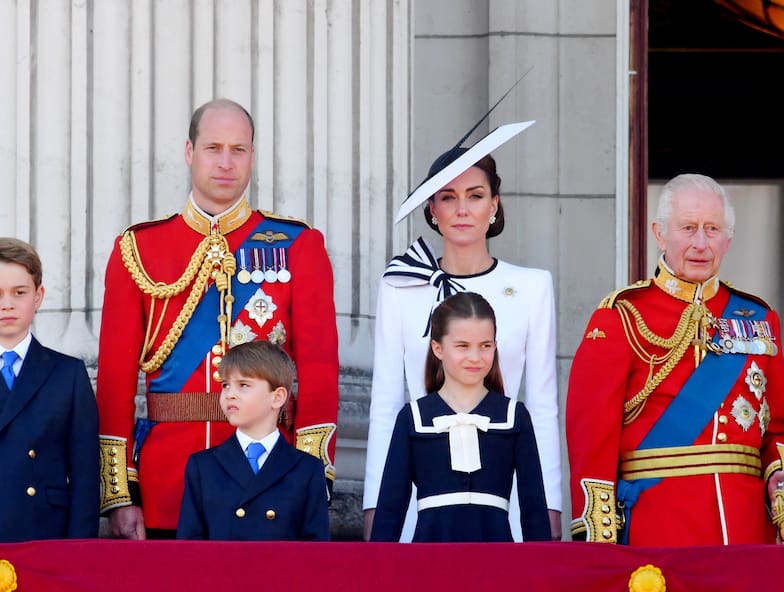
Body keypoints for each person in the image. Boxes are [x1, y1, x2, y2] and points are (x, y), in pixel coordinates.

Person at [97, 98, 339, 539]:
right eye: (213, 148)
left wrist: (313, 476)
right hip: (167, 485)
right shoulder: (138, 249)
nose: (226, 162)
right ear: (190, 152)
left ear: (252, 155)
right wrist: (121, 493)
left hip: (272, 485)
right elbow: (114, 382)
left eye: (238, 149)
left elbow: (320, 374)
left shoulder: (297, 245)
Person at [567, 173, 784, 546]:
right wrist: (599, 543)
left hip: (746, 533)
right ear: (659, 233)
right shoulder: (620, 316)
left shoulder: (760, 319)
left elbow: (777, 430)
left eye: (712, 229)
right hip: (658, 530)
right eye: (688, 228)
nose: (701, 243)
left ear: (728, 239)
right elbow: (592, 438)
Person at [363, 135, 562, 541]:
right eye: (448, 197)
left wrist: (549, 504)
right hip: (423, 500)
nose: (462, 210)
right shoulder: (401, 285)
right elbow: (385, 403)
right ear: (432, 209)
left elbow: (542, 407)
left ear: (494, 204)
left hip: (505, 500)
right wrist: (375, 504)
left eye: (474, 196)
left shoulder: (531, 287)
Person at [370, 292, 550, 542]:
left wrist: (540, 573)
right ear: (438, 348)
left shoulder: (514, 416)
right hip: (430, 563)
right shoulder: (413, 417)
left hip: (497, 564)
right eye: (463, 346)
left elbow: (535, 511)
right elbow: (390, 510)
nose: (475, 357)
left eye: (485, 346)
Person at [0, 237, 99, 542]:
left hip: (44, 535)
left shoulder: (68, 374)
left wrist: (78, 553)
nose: (7, 303)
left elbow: (85, 475)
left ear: (38, 296)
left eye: (19, 292)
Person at [176, 340, 329, 540]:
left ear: (277, 397)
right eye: (225, 385)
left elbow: (316, 554)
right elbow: (189, 550)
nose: (230, 394)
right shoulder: (203, 466)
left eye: (243, 385)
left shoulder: (307, 470)